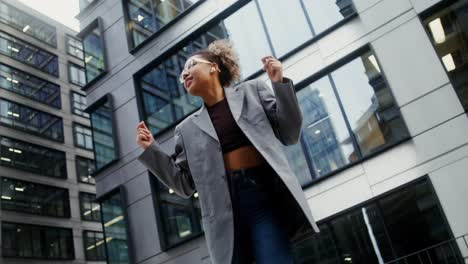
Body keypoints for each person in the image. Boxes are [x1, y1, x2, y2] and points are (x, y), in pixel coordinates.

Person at [136, 39, 319, 264]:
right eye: (182, 73)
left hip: (262, 198)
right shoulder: (185, 129)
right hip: (222, 214)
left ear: (214, 67)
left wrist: (279, 84)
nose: (184, 74)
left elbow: (290, 133)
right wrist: (151, 150)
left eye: (191, 65)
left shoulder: (253, 91)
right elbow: (184, 184)